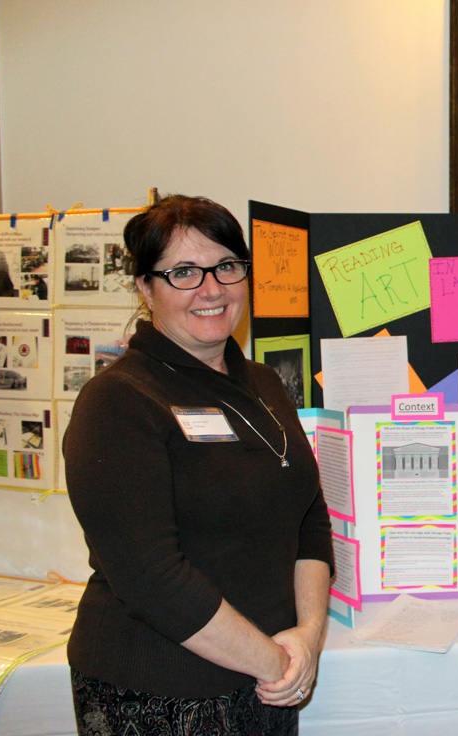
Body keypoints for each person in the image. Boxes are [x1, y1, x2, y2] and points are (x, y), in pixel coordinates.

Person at [64, 195, 334, 735]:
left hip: (269, 678)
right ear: (146, 287)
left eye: (226, 266)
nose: (212, 289)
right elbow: (150, 576)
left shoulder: (263, 384)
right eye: (183, 272)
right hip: (160, 693)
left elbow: (309, 519)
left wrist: (308, 636)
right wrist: (274, 661)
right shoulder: (119, 399)